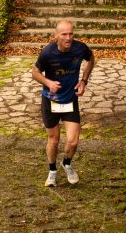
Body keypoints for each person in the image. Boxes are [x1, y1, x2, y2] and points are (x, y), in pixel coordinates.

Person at [31, 19, 95, 187]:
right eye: (64, 34)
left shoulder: (80, 48)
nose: (68, 38)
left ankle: (66, 163)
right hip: (50, 101)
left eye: (71, 34)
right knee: (54, 140)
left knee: (73, 141)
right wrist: (48, 83)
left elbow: (91, 59)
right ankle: (52, 171)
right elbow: (35, 73)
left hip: (70, 99)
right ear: (56, 36)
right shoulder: (48, 53)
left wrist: (84, 81)